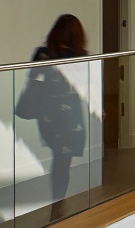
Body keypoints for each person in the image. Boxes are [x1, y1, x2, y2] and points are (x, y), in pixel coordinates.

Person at [14, 14, 89, 215]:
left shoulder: (42, 53)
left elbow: (32, 79)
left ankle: (57, 205)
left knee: (59, 158)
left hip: (47, 116)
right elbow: (85, 87)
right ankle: (57, 206)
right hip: (70, 117)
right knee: (63, 162)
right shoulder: (80, 56)